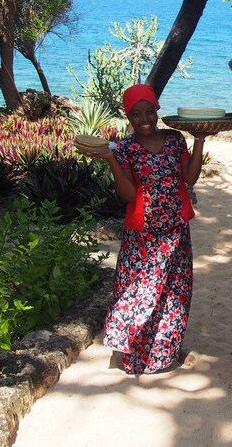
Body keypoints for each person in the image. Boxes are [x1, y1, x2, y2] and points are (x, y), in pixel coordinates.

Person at [79, 84, 206, 374]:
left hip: (175, 231)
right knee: (141, 292)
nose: (144, 118)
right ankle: (135, 353)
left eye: (149, 111)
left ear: (157, 110)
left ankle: (167, 350)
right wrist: (111, 159)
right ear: (128, 116)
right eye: (136, 114)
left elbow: (191, 177)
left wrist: (199, 140)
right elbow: (128, 195)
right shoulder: (124, 148)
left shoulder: (174, 140)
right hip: (144, 235)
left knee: (174, 292)